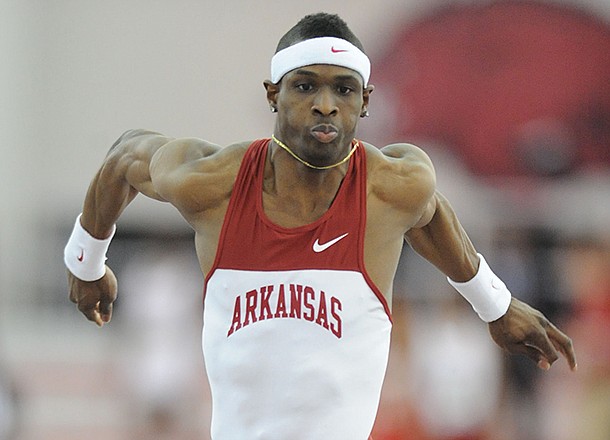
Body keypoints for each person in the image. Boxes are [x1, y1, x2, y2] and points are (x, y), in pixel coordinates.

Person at [64, 12, 577, 440]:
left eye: (344, 89)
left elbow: (430, 213)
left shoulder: (390, 188)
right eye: (305, 86)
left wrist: (496, 305)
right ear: (273, 95)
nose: (325, 104)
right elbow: (126, 155)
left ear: (366, 101)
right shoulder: (213, 184)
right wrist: (85, 260)